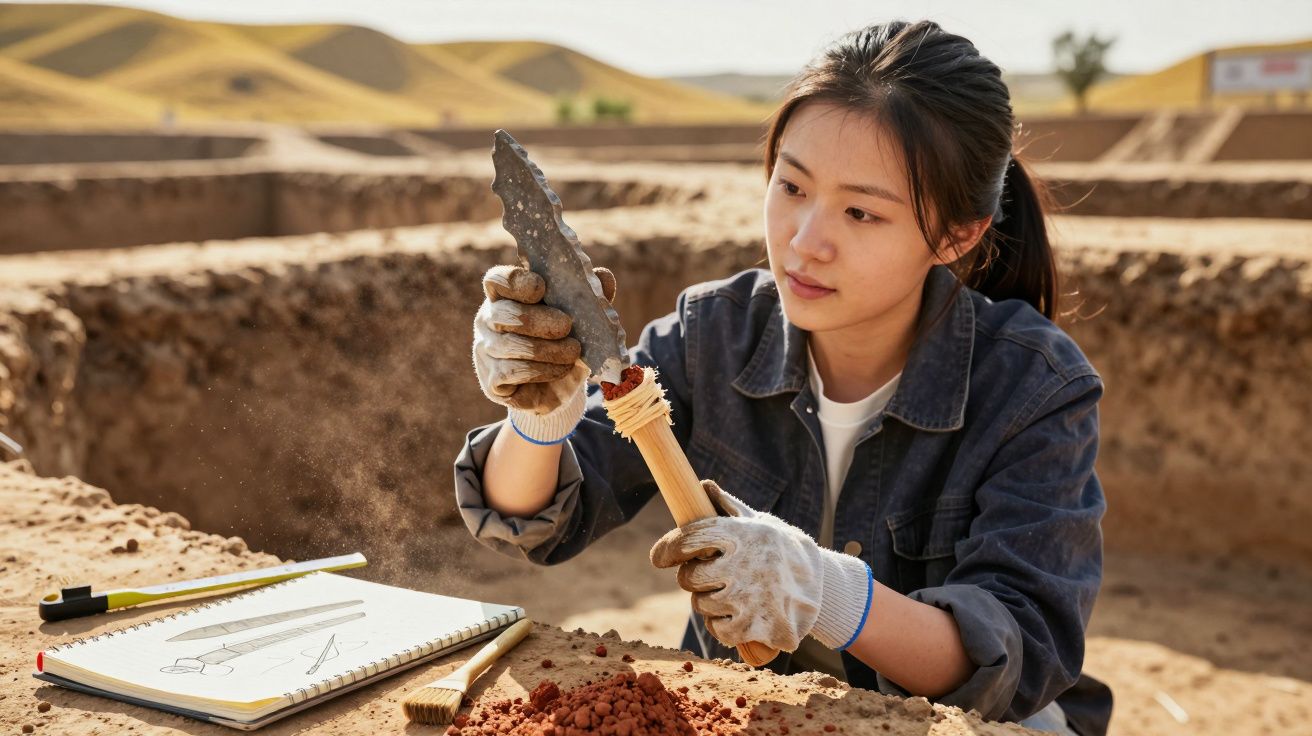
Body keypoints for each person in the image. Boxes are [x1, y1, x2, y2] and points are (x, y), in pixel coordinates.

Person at [455, 19, 1111, 736]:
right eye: (791, 186)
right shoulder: (715, 334)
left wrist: (827, 593)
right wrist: (538, 419)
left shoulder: (1035, 389)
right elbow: (534, 519)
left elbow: (1017, 655)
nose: (804, 243)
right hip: (752, 711)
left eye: (861, 211)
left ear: (958, 235)